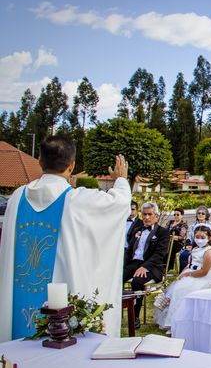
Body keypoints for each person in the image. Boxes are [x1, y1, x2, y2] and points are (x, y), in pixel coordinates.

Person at [0, 136, 131, 341]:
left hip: (18, 297)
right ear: (72, 166)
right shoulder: (77, 200)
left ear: (40, 161)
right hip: (62, 305)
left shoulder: (17, 198)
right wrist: (121, 180)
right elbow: (119, 203)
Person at [154, 225, 211, 333]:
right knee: (174, 289)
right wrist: (183, 273)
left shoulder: (209, 251)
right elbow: (190, 264)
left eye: (202, 237)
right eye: (197, 237)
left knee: (181, 290)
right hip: (191, 272)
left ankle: (179, 322)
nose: (199, 240)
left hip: (202, 276)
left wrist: (188, 275)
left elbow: (204, 271)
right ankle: (171, 319)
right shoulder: (196, 248)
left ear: (209, 238)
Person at [123, 202, 170, 328]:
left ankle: (135, 316)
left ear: (156, 215)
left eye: (150, 214)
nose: (147, 217)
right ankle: (115, 312)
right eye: (144, 214)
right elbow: (129, 251)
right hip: (134, 263)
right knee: (117, 278)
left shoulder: (163, 232)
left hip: (153, 266)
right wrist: (122, 266)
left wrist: (145, 266)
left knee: (137, 282)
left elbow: (159, 254)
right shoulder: (137, 230)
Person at [179, 206, 211, 272]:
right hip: (193, 246)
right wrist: (188, 245)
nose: (200, 215)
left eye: (203, 213)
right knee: (184, 255)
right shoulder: (192, 226)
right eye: (199, 213)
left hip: (207, 247)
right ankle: (183, 275)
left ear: (206, 216)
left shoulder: (210, 225)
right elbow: (189, 238)